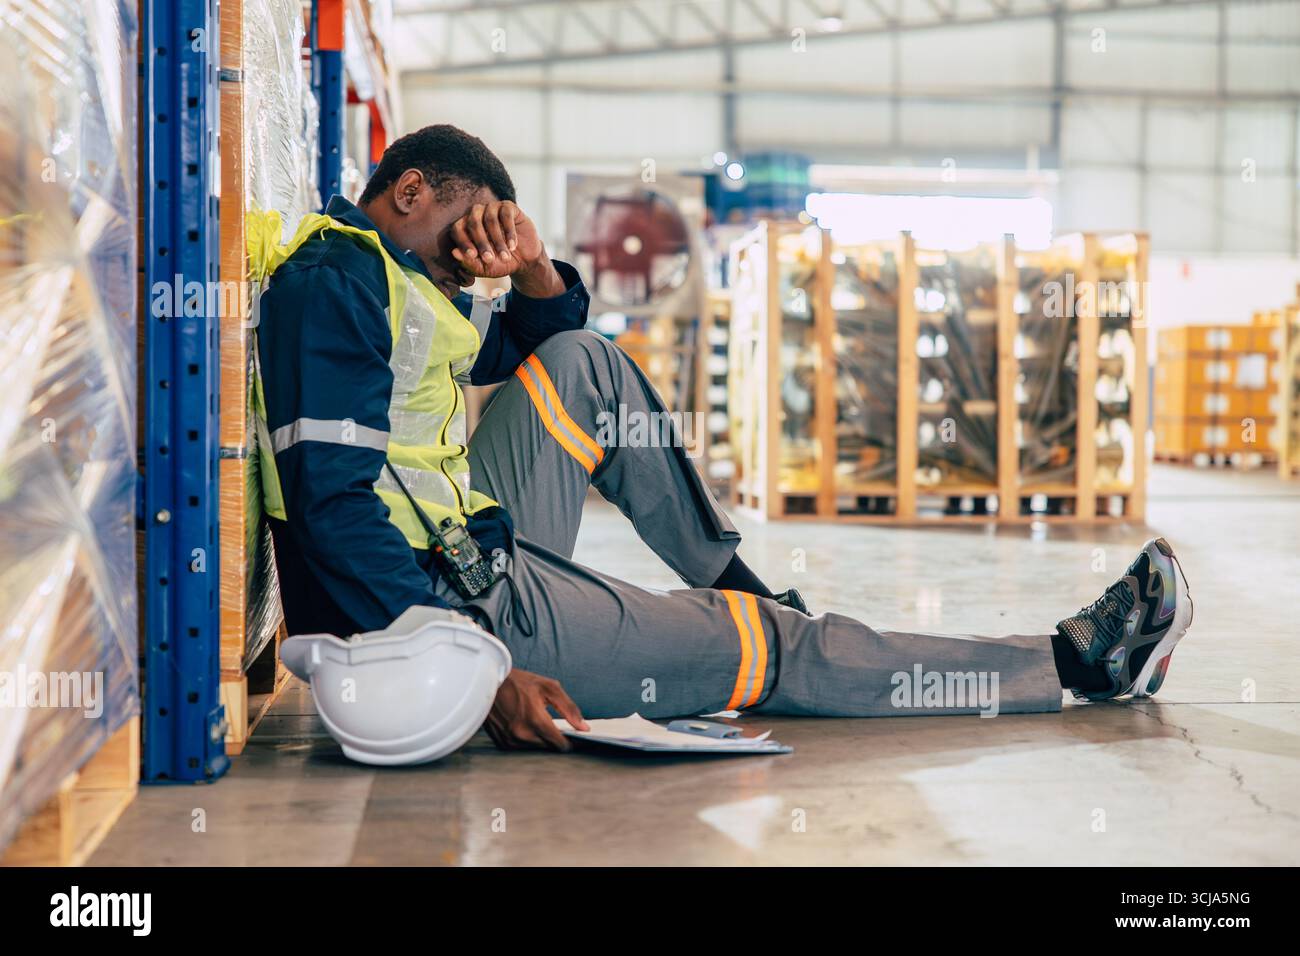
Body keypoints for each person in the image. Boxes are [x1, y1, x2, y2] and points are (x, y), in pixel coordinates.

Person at [253, 125, 1193, 752]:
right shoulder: (335, 286)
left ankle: (728, 574)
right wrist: (476, 665)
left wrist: (533, 267)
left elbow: (540, 341)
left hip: (465, 547)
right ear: (410, 189)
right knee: (768, 648)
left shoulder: (393, 279)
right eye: (467, 233)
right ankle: (1071, 664)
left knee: (584, 358)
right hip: (441, 609)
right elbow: (331, 508)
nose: (473, 259)